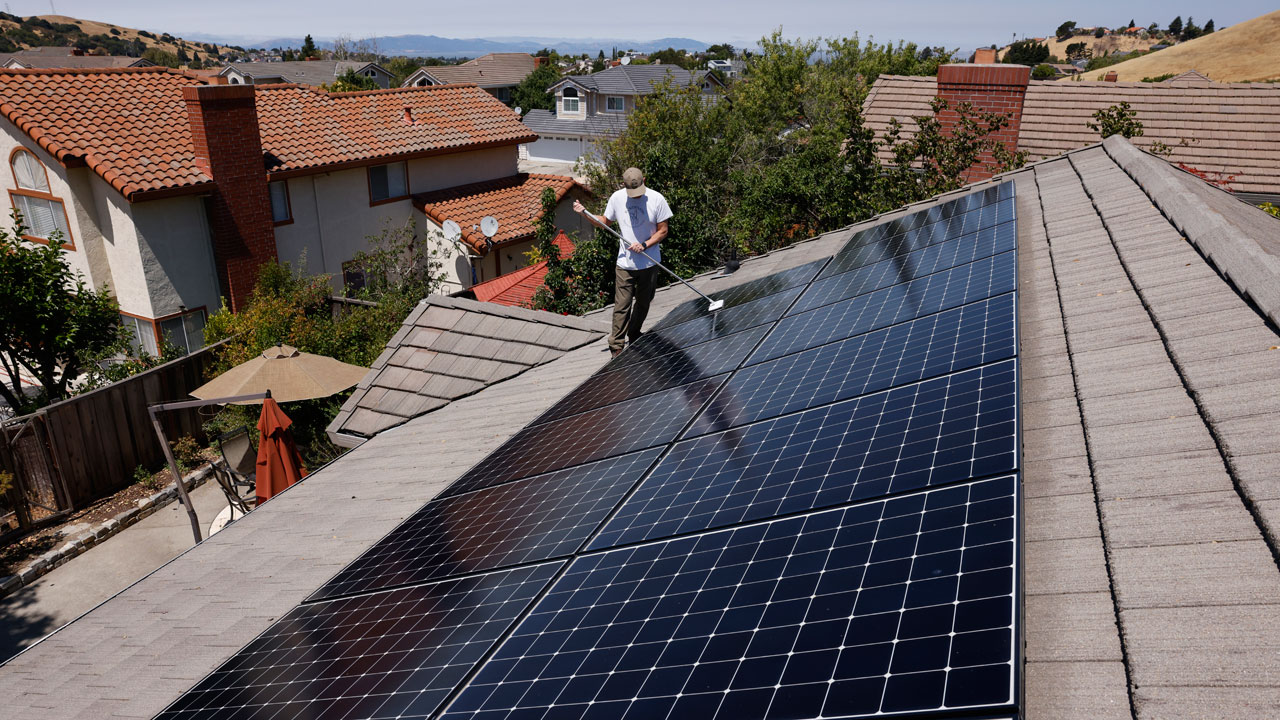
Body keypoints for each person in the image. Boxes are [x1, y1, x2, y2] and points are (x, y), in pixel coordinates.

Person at [574, 167, 672, 357]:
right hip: (625, 263)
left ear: (644, 179)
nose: (635, 196)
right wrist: (585, 213)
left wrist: (645, 244)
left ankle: (634, 334)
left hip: (649, 262)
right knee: (622, 305)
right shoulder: (617, 198)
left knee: (644, 302)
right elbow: (604, 221)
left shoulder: (657, 199)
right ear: (624, 185)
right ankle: (616, 346)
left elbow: (663, 230)